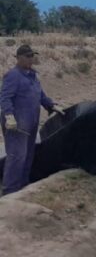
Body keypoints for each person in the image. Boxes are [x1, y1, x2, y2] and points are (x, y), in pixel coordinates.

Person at [1, 44, 64, 195]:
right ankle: (9, 191)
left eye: (32, 56)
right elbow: (4, 98)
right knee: (17, 156)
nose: (31, 59)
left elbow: (40, 95)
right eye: (28, 56)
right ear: (19, 58)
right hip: (16, 125)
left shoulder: (33, 75)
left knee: (28, 154)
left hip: (31, 122)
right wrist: (9, 116)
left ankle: (22, 186)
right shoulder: (13, 75)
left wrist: (51, 105)